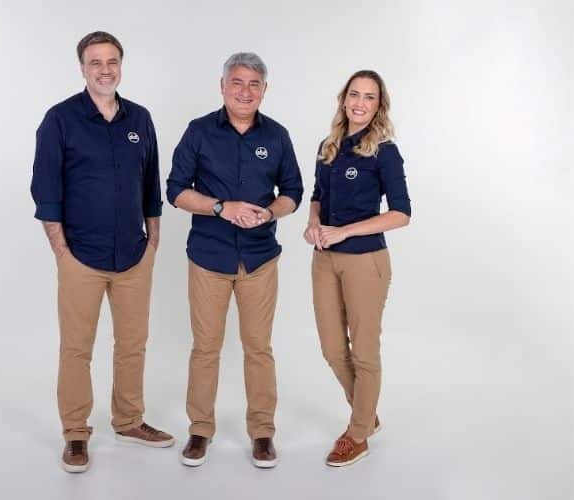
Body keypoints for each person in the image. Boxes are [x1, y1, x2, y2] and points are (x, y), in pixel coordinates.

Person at [30, 31, 174, 474]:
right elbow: (46, 192)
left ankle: (129, 420)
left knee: (132, 344)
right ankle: (75, 433)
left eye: (112, 61)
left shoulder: (140, 119)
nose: (105, 69)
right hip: (81, 258)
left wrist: (152, 241)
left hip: (133, 255)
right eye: (96, 62)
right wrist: (61, 251)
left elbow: (151, 185)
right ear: (82, 67)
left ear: (121, 66)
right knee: (77, 348)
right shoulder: (59, 120)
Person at [166, 52, 303, 468]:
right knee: (206, 347)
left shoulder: (277, 135)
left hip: (260, 259)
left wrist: (270, 212)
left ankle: (262, 432)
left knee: (258, 347)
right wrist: (221, 207)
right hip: (209, 257)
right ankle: (200, 430)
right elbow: (175, 190)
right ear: (222, 85)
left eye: (254, 84)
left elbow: (293, 192)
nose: (245, 91)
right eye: (238, 82)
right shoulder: (199, 131)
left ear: (264, 90)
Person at [304, 70, 411, 467]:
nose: (360, 103)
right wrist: (314, 224)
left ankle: (358, 433)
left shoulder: (384, 150)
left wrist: (343, 231)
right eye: (354, 94)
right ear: (343, 98)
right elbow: (317, 196)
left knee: (364, 352)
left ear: (378, 105)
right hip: (324, 259)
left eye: (369, 97)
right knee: (333, 349)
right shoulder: (328, 146)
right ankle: (367, 414)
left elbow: (401, 214)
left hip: (366, 261)